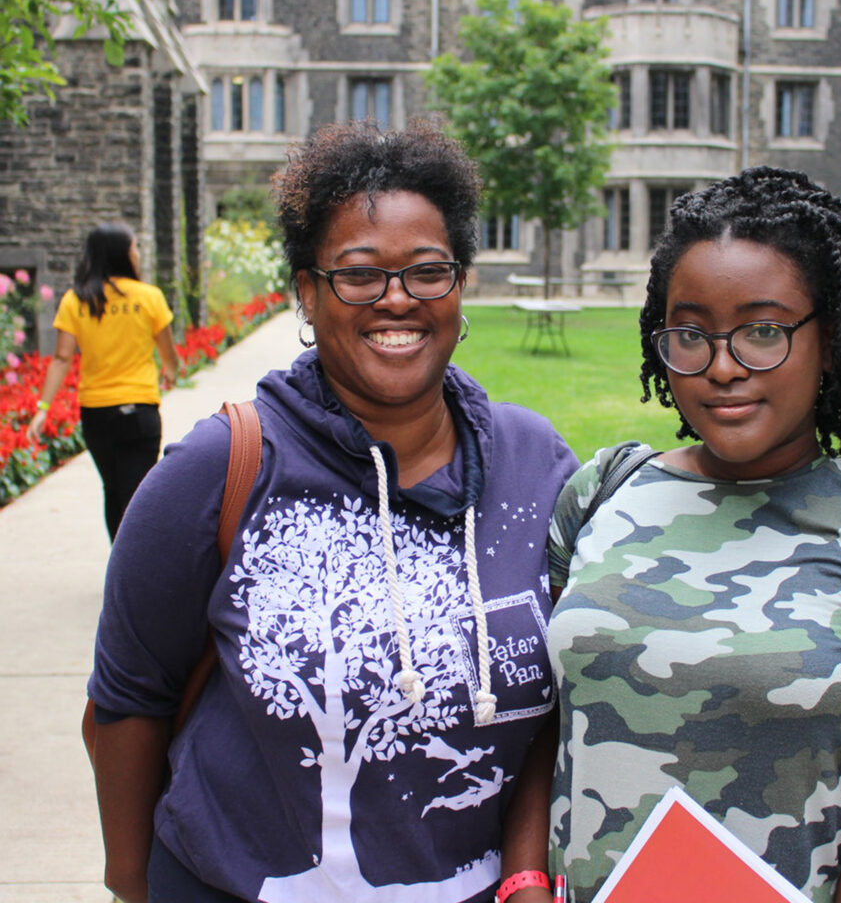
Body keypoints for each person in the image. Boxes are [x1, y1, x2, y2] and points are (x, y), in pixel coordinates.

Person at [86, 120, 578, 903]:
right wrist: (131, 883)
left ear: (459, 286)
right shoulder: (220, 470)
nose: (396, 300)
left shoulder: (536, 462)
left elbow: (569, 695)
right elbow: (126, 702)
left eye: (427, 272)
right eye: (358, 275)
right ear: (308, 294)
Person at [513, 167, 841, 903]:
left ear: (828, 338)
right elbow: (549, 729)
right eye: (691, 334)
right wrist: (523, 883)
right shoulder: (603, 491)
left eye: (763, 331)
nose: (723, 367)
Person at [27, 223, 178, 540]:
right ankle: (136, 573)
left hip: (97, 414)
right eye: (134, 247)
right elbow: (168, 352)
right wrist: (169, 371)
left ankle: (119, 566)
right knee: (140, 496)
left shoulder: (76, 300)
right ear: (123, 254)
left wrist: (43, 408)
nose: (137, 253)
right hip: (140, 409)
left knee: (113, 490)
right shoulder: (149, 297)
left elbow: (62, 358)